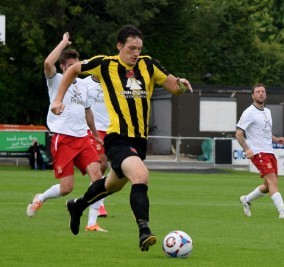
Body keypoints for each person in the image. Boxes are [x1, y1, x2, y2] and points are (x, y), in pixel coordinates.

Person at [50, 25, 193, 251]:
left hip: (139, 142)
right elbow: (72, 70)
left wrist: (182, 86)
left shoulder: (149, 65)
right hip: (117, 138)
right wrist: (57, 100)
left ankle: (77, 206)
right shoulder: (105, 64)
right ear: (120, 46)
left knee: (111, 186)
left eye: (139, 48)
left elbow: (174, 87)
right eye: (131, 48)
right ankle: (144, 229)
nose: (136, 53)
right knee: (141, 176)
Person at [26, 32, 107, 233]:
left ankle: (91, 221)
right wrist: (62, 43)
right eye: (70, 66)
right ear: (63, 67)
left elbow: (88, 112)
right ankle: (41, 197)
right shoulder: (56, 80)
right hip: (63, 139)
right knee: (66, 188)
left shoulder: (83, 87)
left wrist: (95, 134)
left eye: (76, 66)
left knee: (98, 176)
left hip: (83, 138)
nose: (74, 69)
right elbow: (47, 63)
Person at [236, 83, 284, 220]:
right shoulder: (249, 112)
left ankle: (246, 199)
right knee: (273, 181)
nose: (261, 94)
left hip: (270, 151)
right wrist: (247, 149)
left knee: (268, 186)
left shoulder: (267, 112)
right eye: (258, 92)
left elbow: (265, 132)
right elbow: (239, 133)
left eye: (263, 91)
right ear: (253, 95)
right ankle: (282, 212)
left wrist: (276, 139)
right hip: (258, 152)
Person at [82, 75, 109, 217]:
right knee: (101, 163)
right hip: (94, 129)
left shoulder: (111, 80)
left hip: (112, 128)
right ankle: (99, 205)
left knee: (112, 167)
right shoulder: (84, 83)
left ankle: (87, 199)